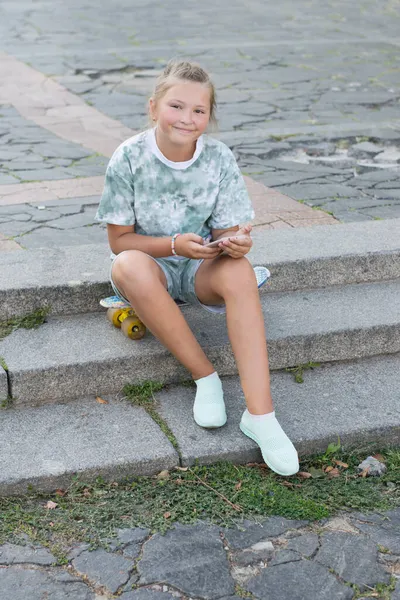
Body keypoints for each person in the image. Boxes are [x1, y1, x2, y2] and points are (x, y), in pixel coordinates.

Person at [96, 59, 299, 476]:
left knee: (240, 271)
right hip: (147, 264)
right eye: (176, 106)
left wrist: (235, 244)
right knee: (130, 265)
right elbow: (119, 241)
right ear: (154, 108)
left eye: (199, 111)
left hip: (199, 266)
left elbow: (226, 230)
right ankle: (204, 378)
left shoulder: (219, 159)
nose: (186, 119)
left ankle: (260, 417)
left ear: (209, 116)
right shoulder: (129, 157)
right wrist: (172, 245)